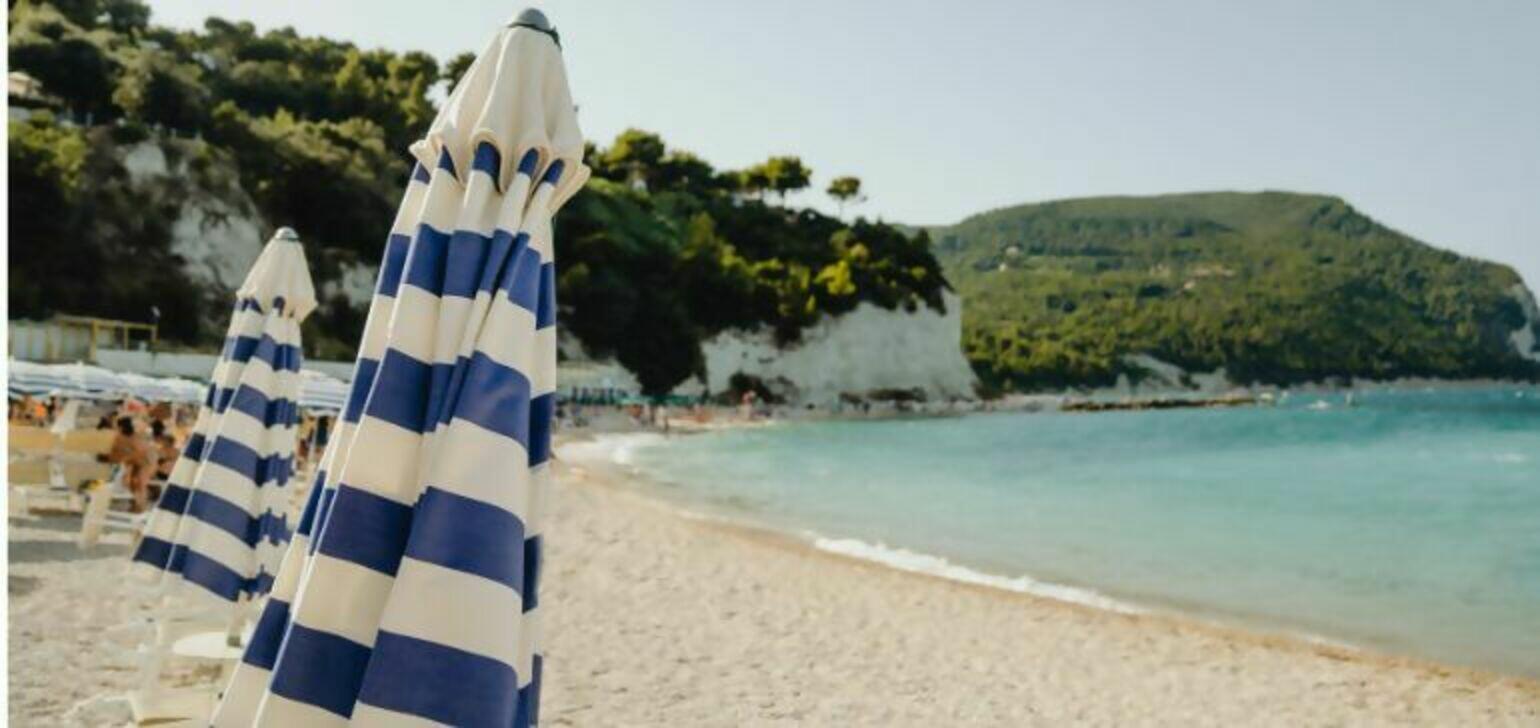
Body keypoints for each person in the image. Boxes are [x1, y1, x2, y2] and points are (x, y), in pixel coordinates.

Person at [100, 416, 153, 512]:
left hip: (138, 463)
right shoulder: (131, 437)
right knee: (137, 486)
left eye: (116, 425)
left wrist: (125, 458)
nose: (115, 427)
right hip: (138, 463)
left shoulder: (123, 437)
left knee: (138, 486)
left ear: (121, 427)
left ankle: (139, 507)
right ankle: (138, 507)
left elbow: (140, 452)